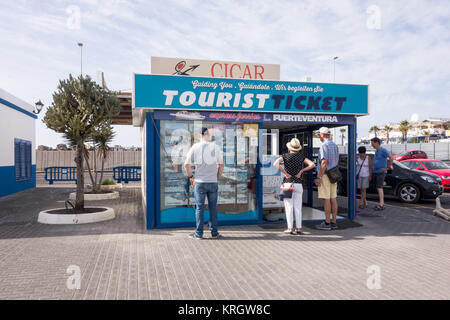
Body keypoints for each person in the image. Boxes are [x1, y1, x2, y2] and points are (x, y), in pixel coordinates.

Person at [184, 127, 224, 239]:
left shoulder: (195, 147)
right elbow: (221, 165)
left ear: (199, 136)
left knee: (199, 208)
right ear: (208, 135)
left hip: (200, 182)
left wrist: (191, 177)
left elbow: (186, 165)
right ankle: (214, 232)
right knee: (213, 208)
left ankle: (199, 233)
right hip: (213, 182)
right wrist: (217, 177)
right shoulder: (216, 147)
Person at [274, 138, 316, 235]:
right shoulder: (301, 157)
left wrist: (284, 173)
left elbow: (275, 163)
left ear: (290, 147)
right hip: (298, 183)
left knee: (289, 207)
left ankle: (290, 228)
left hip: (288, 183)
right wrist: (301, 171)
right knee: (298, 207)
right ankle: (299, 228)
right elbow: (312, 164)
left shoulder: (285, 156)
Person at [314, 127, 340, 231]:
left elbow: (324, 162)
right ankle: (334, 221)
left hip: (325, 175)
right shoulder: (334, 145)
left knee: (326, 199)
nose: (318, 136)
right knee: (333, 198)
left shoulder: (324, 145)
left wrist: (319, 177)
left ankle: (327, 222)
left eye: (319, 134)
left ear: (323, 135)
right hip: (334, 174)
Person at [370, 137, 393, 211]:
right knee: (378, 187)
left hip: (381, 172)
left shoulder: (383, 150)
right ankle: (381, 203)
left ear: (377, 143)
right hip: (376, 172)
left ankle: (381, 204)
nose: (372, 145)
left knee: (379, 187)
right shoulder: (377, 151)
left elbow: (391, 157)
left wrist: (388, 167)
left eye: (372, 143)